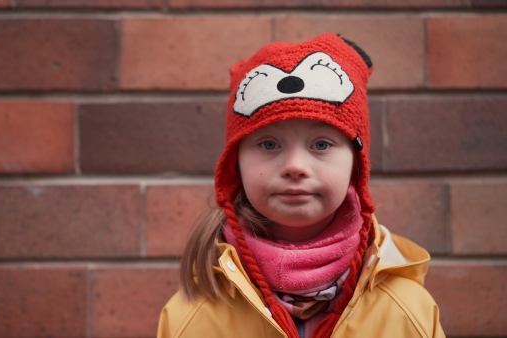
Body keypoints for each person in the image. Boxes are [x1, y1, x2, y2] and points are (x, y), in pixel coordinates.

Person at [157, 33, 444, 338]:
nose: (295, 166)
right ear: (236, 163)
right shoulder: (190, 318)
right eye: (268, 144)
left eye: (321, 143)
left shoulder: (407, 311)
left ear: (356, 164)